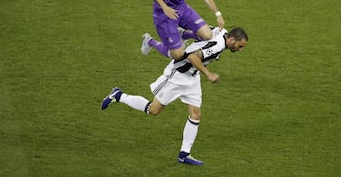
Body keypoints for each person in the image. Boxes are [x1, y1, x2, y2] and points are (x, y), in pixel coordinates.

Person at [102, 27, 248, 165]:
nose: (240, 50)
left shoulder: (222, 32)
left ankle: (184, 154)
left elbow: (204, 29)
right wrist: (209, 74)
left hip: (192, 77)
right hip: (177, 75)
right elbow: (192, 57)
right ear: (232, 40)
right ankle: (119, 95)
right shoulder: (217, 46)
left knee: (196, 114)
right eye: (240, 46)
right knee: (154, 110)